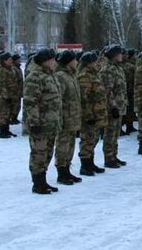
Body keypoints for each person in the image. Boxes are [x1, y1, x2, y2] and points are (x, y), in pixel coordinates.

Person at [23, 48, 62, 195]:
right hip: (40, 122)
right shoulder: (35, 76)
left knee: (48, 152)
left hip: (50, 122)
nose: (54, 63)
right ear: (45, 61)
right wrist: (34, 122)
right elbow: (30, 101)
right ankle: (37, 183)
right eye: (52, 60)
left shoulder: (50, 75)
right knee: (38, 152)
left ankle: (43, 180)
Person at [54, 50, 83, 185]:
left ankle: (67, 169)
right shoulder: (61, 76)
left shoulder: (71, 75)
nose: (76, 62)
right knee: (63, 144)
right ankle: (61, 172)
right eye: (74, 60)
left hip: (73, 116)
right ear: (68, 62)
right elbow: (58, 99)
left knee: (70, 144)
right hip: (65, 116)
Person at [77, 52, 107, 176]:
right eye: (94, 62)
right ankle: (85, 165)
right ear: (88, 64)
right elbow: (85, 98)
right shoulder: (84, 76)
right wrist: (88, 115)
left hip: (97, 112)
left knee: (93, 138)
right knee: (87, 139)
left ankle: (90, 163)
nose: (97, 64)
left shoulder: (94, 75)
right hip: (90, 114)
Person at [99, 45, 128, 168]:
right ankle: (108, 157)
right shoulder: (108, 70)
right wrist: (113, 106)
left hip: (120, 105)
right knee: (110, 133)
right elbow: (107, 90)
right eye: (119, 54)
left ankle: (114, 155)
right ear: (114, 56)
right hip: (112, 107)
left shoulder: (118, 68)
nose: (122, 56)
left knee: (116, 133)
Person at [0, 52, 20, 138]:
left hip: (11, 95)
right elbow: (1, 85)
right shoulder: (1, 70)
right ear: (4, 61)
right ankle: (3, 131)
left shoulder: (11, 69)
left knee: (8, 114)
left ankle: (6, 130)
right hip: (3, 96)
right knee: (3, 114)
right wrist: (6, 96)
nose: (11, 61)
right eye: (9, 60)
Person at [10, 54, 23, 124]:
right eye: (18, 60)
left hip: (18, 90)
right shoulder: (13, 68)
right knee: (14, 105)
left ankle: (15, 117)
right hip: (15, 91)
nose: (20, 61)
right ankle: (13, 118)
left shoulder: (18, 68)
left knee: (17, 105)